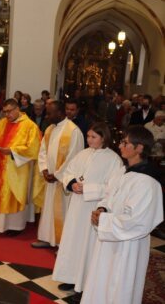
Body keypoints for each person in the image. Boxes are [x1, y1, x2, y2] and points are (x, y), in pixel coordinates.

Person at [81, 126, 163, 304]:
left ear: (139, 148)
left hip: (128, 244)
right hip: (109, 236)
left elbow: (138, 221)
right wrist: (102, 209)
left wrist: (105, 220)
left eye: (125, 143)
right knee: (102, 278)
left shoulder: (147, 181)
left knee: (119, 285)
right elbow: (109, 195)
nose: (120, 146)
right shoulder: (122, 171)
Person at [52, 122, 123, 297]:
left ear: (104, 138)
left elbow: (113, 187)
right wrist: (72, 183)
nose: (89, 139)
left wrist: (88, 188)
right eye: (88, 136)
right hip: (77, 206)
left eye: (93, 137)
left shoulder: (114, 159)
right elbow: (69, 171)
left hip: (94, 207)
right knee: (73, 242)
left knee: (87, 245)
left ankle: (85, 283)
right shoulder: (83, 154)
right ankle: (71, 276)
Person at [0, 99, 42, 234]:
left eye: (9, 111)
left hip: (17, 169)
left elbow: (34, 148)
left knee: (13, 195)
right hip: (0, 165)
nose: (7, 115)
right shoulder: (2, 123)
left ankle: (15, 226)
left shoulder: (30, 126)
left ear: (17, 109)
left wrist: (13, 150)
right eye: (5, 111)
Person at [32, 100, 84, 248]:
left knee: (63, 211)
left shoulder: (73, 131)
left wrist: (58, 175)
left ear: (60, 113)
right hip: (50, 178)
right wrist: (44, 170)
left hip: (63, 181)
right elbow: (42, 151)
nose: (47, 116)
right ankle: (46, 238)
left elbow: (74, 157)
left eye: (49, 113)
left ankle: (62, 244)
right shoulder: (50, 129)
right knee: (48, 209)